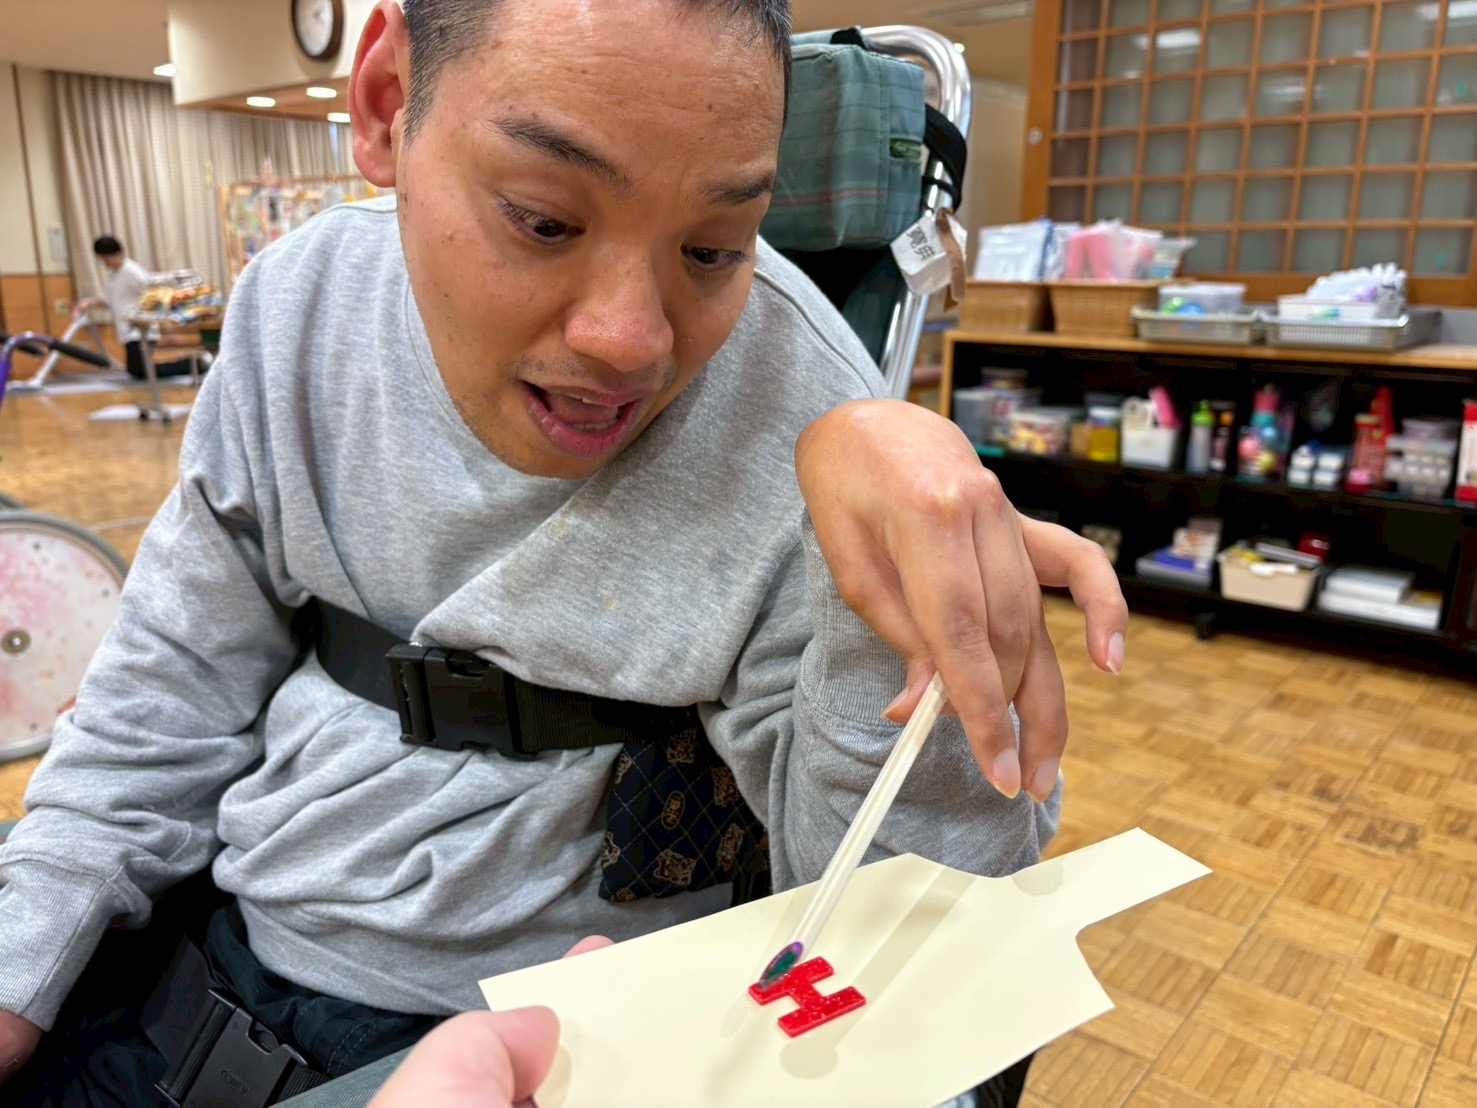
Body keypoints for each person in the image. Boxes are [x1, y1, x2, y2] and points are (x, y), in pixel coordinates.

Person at [0, 1, 1127, 1104]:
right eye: (543, 220)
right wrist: (20, 967)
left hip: (548, 1043)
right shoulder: (297, 308)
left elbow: (895, 930)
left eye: (713, 248)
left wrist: (887, 607)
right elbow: (165, 691)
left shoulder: (804, 412)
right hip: (212, 949)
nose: (629, 341)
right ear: (387, 103)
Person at [76, 235, 151, 379]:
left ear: (115, 254)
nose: (104, 263)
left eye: (105, 259)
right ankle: (191, 363)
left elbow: (151, 294)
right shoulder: (111, 274)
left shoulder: (132, 271)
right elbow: (109, 300)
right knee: (137, 370)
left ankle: (192, 363)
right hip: (126, 329)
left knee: (140, 371)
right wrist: (89, 303)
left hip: (140, 328)